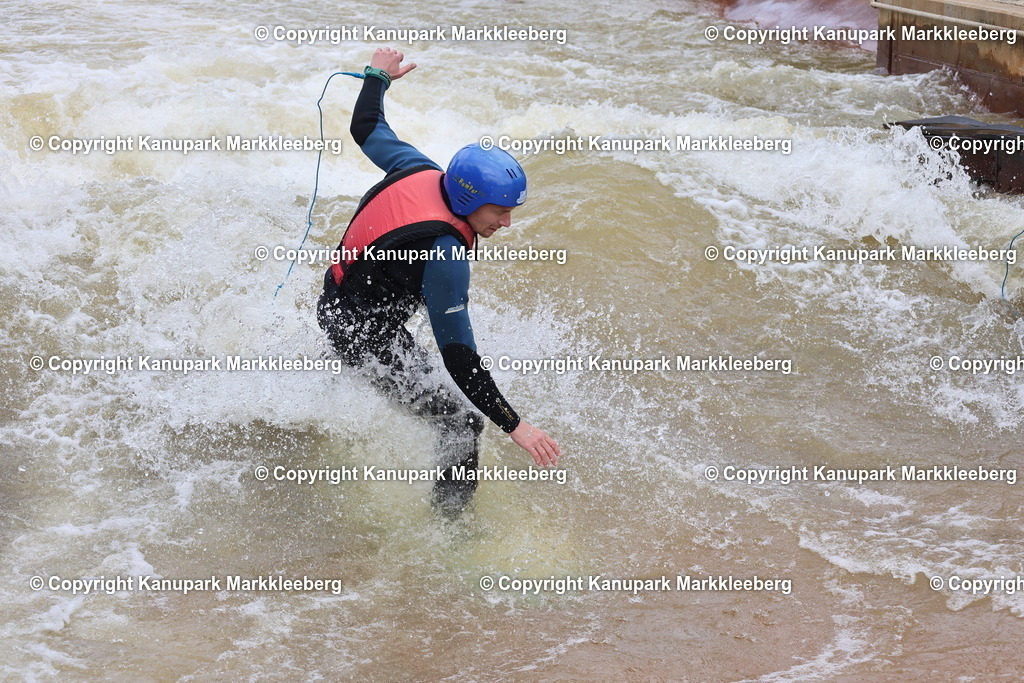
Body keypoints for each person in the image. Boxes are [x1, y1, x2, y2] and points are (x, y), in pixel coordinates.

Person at [317, 47, 561, 517]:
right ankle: (448, 531)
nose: (507, 223)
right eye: (500, 211)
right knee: (464, 422)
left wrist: (377, 77)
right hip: (361, 334)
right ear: (468, 197)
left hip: (339, 301)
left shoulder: (419, 168)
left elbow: (366, 128)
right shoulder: (444, 252)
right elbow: (460, 359)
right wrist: (515, 425)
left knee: (445, 404)